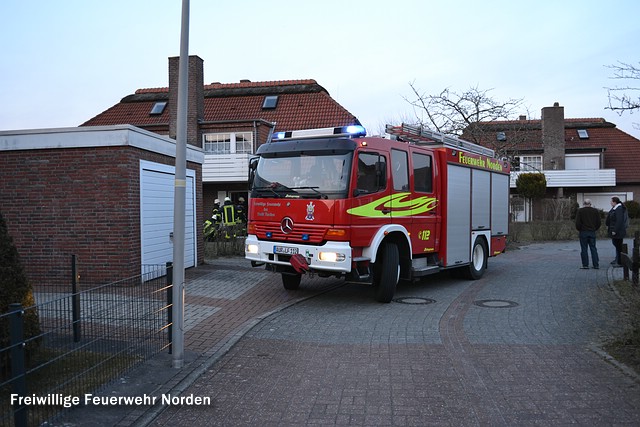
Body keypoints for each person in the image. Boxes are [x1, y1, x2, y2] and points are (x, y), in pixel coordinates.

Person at [575, 199, 601, 269]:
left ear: (584, 204)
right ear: (590, 204)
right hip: (592, 232)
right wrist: (594, 228)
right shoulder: (595, 211)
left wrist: (580, 229)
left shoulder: (580, 211)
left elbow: (577, 223)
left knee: (584, 249)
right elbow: (598, 222)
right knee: (593, 248)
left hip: (583, 232)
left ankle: (585, 265)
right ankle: (596, 264)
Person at [605, 196, 628, 267]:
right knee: (617, 245)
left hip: (618, 231)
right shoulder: (615, 209)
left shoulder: (618, 209)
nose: (610, 203)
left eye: (611, 201)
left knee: (618, 246)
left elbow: (619, 221)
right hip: (614, 230)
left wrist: (615, 230)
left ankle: (620, 261)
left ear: (615, 202)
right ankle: (618, 259)